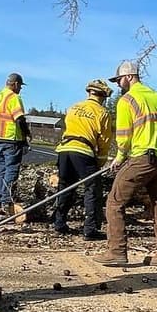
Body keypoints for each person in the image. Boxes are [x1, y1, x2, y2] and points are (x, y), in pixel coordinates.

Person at [99, 60, 157, 268]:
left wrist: (120, 157)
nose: (118, 84)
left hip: (142, 156)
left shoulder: (127, 100)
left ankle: (116, 252)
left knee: (115, 202)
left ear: (129, 76)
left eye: (119, 80)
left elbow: (124, 136)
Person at [53, 79, 113, 239]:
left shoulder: (73, 107)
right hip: (84, 151)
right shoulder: (102, 113)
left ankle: (59, 223)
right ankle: (90, 229)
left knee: (65, 186)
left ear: (89, 92)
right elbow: (104, 142)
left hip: (65, 149)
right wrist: (99, 162)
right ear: (104, 96)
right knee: (92, 190)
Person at [0, 72, 31, 212]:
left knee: (2, 169)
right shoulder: (14, 97)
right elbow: (19, 119)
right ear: (15, 84)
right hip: (10, 138)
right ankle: (7, 199)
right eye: (20, 86)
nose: (20, 89)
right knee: (11, 169)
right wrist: (26, 136)